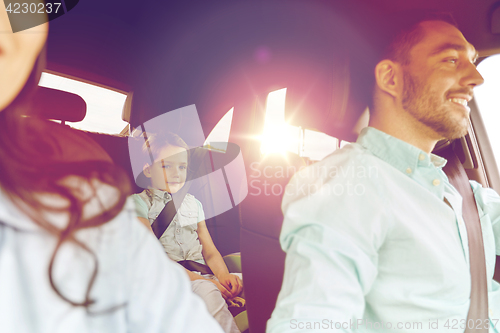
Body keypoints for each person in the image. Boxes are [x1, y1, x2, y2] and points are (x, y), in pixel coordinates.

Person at [267, 13, 500, 333]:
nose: (476, 77)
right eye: (450, 59)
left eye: (473, 60)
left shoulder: (462, 192)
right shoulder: (347, 185)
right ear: (391, 78)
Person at [0, 2, 224, 332]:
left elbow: (166, 293)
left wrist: (219, 275)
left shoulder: (89, 201)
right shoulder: (127, 204)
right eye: (167, 165)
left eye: (19, 3)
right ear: (148, 169)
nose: (6, 21)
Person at [131, 132, 243, 333]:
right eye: (167, 166)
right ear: (148, 170)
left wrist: (224, 276)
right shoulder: (137, 203)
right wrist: (204, 282)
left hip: (203, 275)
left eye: (182, 167)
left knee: (254, 278)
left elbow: (209, 251)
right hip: (171, 280)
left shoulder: (194, 204)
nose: (176, 173)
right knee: (208, 290)